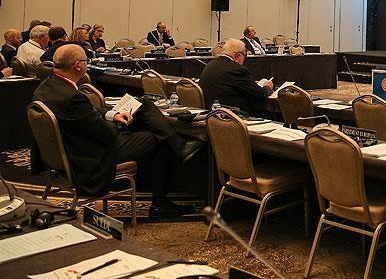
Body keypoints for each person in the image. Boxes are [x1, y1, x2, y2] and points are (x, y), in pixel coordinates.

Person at [32, 45, 201, 218]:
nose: (87, 64)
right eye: (86, 61)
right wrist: (121, 125)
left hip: (72, 149)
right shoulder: (73, 98)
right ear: (77, 66)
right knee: (158, 138)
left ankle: (177, 149)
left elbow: (86, 114)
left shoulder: (47, 87)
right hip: (90, 156)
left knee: (143, 106)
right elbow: (106, 134)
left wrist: (113, 115)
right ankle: (160, 203)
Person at [199, 38, 273, 114]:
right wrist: (267, 87)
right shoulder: (237, 70)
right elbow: (260, 94)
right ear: (238, 56)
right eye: (245, 56)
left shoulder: (211, 64)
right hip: (234, 114)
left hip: (212, 113)